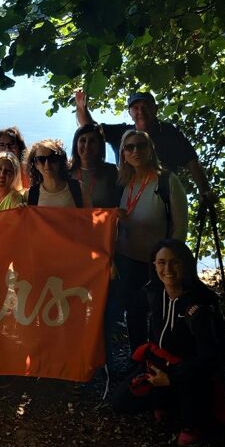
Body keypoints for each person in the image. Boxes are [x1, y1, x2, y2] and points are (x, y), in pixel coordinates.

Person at [111, 239, 225, 447]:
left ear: (185, 265)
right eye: (161, 262)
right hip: (159, 364)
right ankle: (165, 401)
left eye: (174, 262)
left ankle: (190, 419)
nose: (167, 269)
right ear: (153, 265)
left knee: (189, 428)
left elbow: (211, 356)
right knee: (121, 402)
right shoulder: (153, 293)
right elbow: (131, 314)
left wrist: (172, 378)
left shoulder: (199, 304)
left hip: (192, 371)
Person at [114, 130, 188, 352]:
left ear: (150, 150)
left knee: (159, 312)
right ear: (123, 154)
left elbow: (181, 226)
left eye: (140, 146)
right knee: (133, 312)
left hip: (156, 264)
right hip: (127, 260)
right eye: (129, 148)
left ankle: (161, 357)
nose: (135, 151)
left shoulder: (167, 180)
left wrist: (169, 262)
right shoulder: (124, 183)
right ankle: (138, 357)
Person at [74, 89, 213, 201]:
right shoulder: (122, 132)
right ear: (130, 112)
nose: (140, 111)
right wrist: (81, 106)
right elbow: (90, 128)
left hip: (163, 196)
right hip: (128, 194)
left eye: (146, 106)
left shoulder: (169, 132)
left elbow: (192, 162)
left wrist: (205, 191)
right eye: (135, 107)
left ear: (155, 109)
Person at [68, 123, 122, 208]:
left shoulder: (111, 171)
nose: (87, 145)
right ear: (76, 144)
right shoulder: (68, 173)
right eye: (82, 140)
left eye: (92, 141)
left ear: (100, 146)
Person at [24, 139, 84, 207]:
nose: (47, 164)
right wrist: (21, 211)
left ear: (59, 161)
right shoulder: (30, 195)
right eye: (41, 159)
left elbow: (88, 215)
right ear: (36, 164)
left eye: (52, 158)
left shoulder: (78, 188)